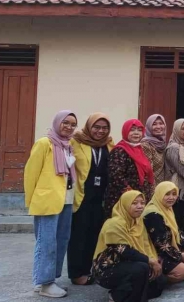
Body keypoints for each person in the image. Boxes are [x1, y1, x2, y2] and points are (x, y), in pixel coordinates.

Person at [24, 110, 78, 297]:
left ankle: (48, 280)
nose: (69, 127)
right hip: (46, 200)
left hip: (66, 199)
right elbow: (31, 174)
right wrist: (30, 201)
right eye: (66, 123)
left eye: (73, 124)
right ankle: (45, 283)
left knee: (61, 240)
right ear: (57, 123)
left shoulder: (68, 146)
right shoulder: (44, 143)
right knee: (46, 242)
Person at [92, 190, 166, 302]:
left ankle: (124, 292)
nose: (140, 206)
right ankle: (120, 296)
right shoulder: (114, 223)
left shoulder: (138, 222)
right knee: (141, 268)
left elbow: (146, 245)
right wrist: (150, 261)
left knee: (159, 283)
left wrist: (154, 261)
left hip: (130, 262)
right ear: (125, 204)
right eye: (134, 203)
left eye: (142, 203)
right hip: (108, 268)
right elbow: (124, 251)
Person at [68, 112, 114, 286]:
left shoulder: (108, 144)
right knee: (78, 235)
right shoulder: (76, 141)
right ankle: (76, 272)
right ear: (89, 126)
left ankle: (90, 269)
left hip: (100, 198)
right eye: (96, 127)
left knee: (95, 234)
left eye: (104, 128)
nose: (100, 131)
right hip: (82, 196)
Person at [143, 182, 184, 284]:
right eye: (167, 194)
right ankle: (158, 279)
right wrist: (180, 255)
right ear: (159, 194)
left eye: (174, 194)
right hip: (156, 253)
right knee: (183, 271)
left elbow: (176, 232)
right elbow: (160, 244)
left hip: (169, 248)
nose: (171, 197)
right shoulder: (153, 214)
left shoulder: (167, 209)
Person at [105, 119, 155, 218]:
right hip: (123, 200)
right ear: (125, 131)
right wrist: (132, 197)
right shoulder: (119, 150)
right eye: (132, 130)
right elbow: (116, 177)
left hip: (138, 201)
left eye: (139, 130)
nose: (136, 133)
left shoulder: (139, 149)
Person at [141, 114, 167, 185]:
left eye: (161, 123)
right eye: (154, 124)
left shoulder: (162, 143)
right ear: (149, 126)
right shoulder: (145, 145)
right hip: (152, 188)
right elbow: (148, 173)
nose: (158, 127)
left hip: (162, 188)